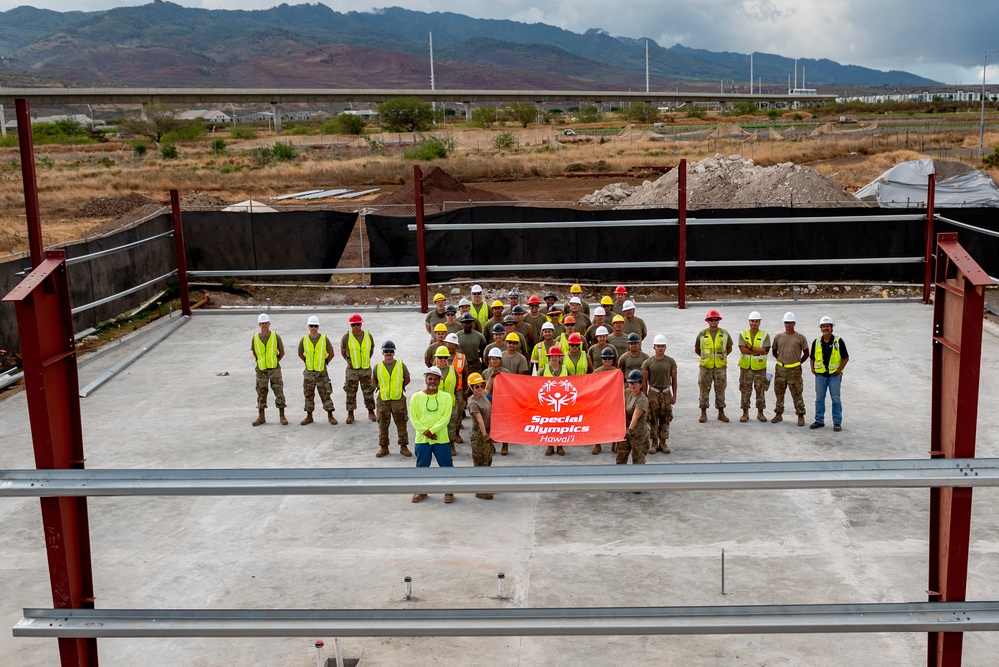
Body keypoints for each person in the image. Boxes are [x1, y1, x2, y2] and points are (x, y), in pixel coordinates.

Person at [409, 366, 455, 504]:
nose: (432, 381)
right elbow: (413, 418)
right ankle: (421, 490)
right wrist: (425, 432)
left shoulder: (446, 397)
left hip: (441, 439)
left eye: (435, 379)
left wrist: (432, 431)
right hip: (422, 439)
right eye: (430, 378)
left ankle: (449, 490)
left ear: (440, 381)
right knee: (422, 465)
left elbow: (445, 418)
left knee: (446, 465)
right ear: (425, 380)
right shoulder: (416, 397)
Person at [810, 315, 849, 431]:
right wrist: (812, 369)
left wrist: (838, 370)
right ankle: (819, 420)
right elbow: (812, 357)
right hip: (820, 375)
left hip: (834, 376)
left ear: (831, 328)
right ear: (820, 328)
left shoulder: (838, 341)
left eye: (827, 326)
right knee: (819, 399)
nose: (825, 328)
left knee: (835, 399)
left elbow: (846, 358)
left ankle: (837, 422)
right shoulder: (816, 342)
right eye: (823, 326)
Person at [372, 340, 411, 457]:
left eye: (391, 351)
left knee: (401, 424)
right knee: (382, 424)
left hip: (398, 399)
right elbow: (373, 380)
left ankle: (403, 447)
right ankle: (384, 447)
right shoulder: (378, 366)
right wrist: (380, 387)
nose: (388, 353)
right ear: (382, 353)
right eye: (386, 351)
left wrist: (400, 387)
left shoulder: (400, 365)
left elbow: (407, 378)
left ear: (394, 353)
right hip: (383, 400)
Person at [771, 311, 809, 427]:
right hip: (780, 370)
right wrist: (780, 360)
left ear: (794, 323)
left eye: (790, 323)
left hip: (795, 371)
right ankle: (778, 413)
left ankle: (800, 415)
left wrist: (798, 363)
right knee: (779, 393)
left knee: (797, 393)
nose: (788, 325)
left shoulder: (800, 338)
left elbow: (807, 353)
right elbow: (774, 351)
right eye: (786, 323)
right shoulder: (778, 337)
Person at [694, 309, 733, 423]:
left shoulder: (724, 334)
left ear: (718, 321)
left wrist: (720, 357)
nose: (713, 322)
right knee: (704, 390)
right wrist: (707, 359)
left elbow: (729, 348)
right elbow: (697, 350)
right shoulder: (702, 334)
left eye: (715, 319)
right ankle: (703, 413)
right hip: (705, 367)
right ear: (708, 321)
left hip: (720, 367)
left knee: (720, 390)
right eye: (711, 319)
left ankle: (721, 413)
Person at [297, 315, 336, 426]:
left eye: (315, 326)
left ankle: (330, 415)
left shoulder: (324, 339)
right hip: (309, 372)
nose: (313, 328)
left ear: (318, 327)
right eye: (311, 326)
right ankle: (309, 416)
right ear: (308, 327)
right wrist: (307, 361)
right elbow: (300, 353)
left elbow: (331, 353)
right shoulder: (304, 340)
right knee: (308, 394)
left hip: (321, 372)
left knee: (326, 393)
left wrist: (325, 362)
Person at [251, 313, 287, 426]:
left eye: (266, 323)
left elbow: (281, 352)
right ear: (259, 325)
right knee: (261, 393)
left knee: (279, 391)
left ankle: (282, 416)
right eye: (262, 324)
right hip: (261, 370)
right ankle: (261, 416)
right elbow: (255, 352)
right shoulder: (255, 338)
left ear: (269, 324)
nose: (264, 325)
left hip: (274, 369)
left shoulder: (275, 337)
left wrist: (275, 361)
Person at [642, 334, 677, 454]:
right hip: (653, 393)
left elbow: (674, 379)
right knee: (652, 418)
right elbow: (644, 381)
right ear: (654, 347)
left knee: (665, 418)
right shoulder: (648, 362)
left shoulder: (670, 361)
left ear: (665, 347)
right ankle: (654, 442)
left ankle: (663, 442)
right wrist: (645, 396)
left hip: (666, 393)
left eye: (662, 346)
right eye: (658, 346)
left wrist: (674, 395)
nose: (660, 348)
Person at [340, 313, 376, 424]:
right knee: (350, 392)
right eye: (353, 325)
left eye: (358, 324)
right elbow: (343, 351)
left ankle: (371, 411)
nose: (356, 327)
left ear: (361, 324)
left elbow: (371, 350)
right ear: (350, 325)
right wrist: (349, 362)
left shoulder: (368, 336)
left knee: (369, 391)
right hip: (352, 370)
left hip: (365, 369)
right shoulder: (346, 337)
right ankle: (350, 413)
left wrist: (365, 360)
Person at [738, 310, 771, 423]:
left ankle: (760, 413)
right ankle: (745, 413)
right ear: (749, 321)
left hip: (760, 368)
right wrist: (758, 351)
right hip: (746, 368)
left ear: (759, 322)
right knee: (745, 390)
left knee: (760, 390)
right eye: (752, 321)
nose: (754, 323)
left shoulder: (765, 335)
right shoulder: (743, 334)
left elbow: (765, 350)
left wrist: (751, 347)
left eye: (756, 321)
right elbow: (743, 350)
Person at [466, 373, 497, 499]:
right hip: (479, 436)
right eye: (476, 386)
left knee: (488, 461)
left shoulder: (483, 394)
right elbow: (479, 421)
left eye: (481, 385)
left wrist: (492, 376)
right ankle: (479, 490)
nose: (480, 388)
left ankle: (485, 487)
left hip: (487, 434)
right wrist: (485, 435)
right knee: (480, 463)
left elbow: (488, 389)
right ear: (471, 387)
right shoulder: (473, 403)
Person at [619, 369, 650, 465]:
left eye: (635, 383)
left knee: (638, 460)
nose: (632, 386)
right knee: (621, 457)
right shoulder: (627, 392)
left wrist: (629, 430)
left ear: (641, 384)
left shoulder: (642, 399)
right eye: (630, 383)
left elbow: (635, 417)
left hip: (638, 433)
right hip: (626, 430)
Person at [443, 333, 469, 446]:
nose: (451, 347)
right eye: (449, 344)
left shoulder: (461, 357)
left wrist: (465, 390)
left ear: (456, 346)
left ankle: (456, 434)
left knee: (458, 414)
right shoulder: (440, 356)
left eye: (453, 345)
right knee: (444, 414)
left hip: (458, 391)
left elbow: (465, 374)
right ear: (445, 344)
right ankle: (445, 436)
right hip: (443, 391)